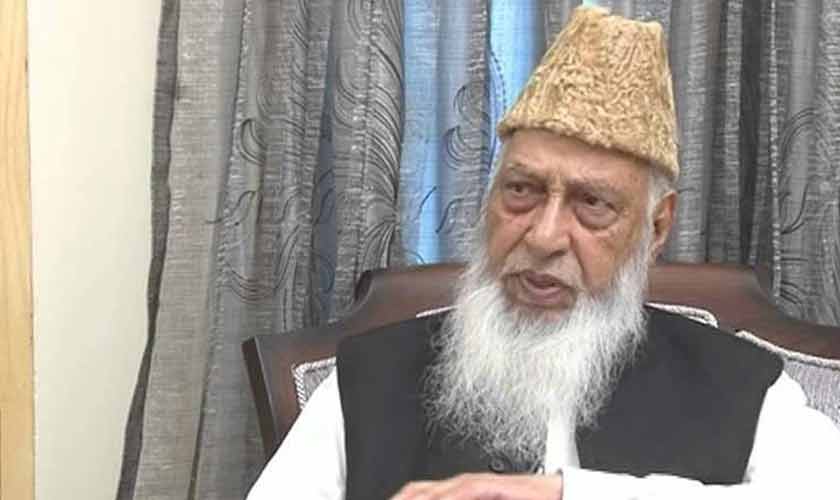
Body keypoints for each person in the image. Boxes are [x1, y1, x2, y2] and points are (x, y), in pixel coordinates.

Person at [248, 6, 840, 499]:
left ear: (656, 228)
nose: (544, 236)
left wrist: (566, 493)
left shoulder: (741, 386)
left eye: (593, 204)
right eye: (522, 191)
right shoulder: (368, 380)